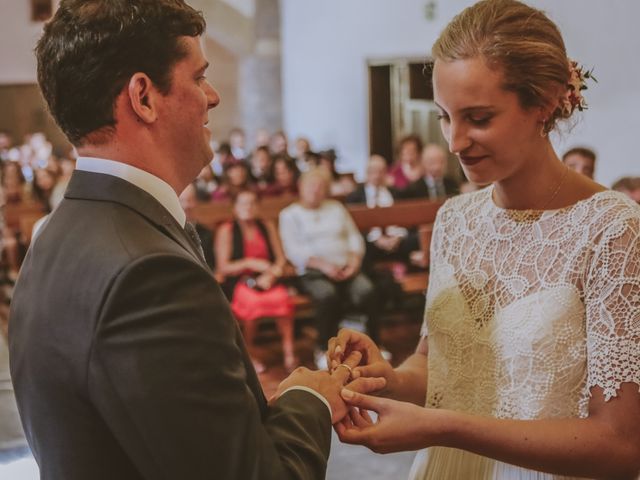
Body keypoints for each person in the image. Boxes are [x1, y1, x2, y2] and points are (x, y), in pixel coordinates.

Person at [8, 2, 384, 479]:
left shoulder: (58, 232)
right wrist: (308, 398)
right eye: (199, 76)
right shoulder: (149, 273)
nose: (212, 96)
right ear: (143, 96)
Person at [327, 1, 640, 479]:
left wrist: (441, 427)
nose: (454, 142)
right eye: (444, 116)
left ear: (546, 101)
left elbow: (621, 445)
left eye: (478, 117)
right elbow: (440, 367)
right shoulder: (455, 219)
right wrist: (390, 377)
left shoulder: (611, 229)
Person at [279, 169, 380, 352]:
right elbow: (293, 251)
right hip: (312, 272)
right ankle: (323, 348)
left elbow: (354, 237)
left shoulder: (336, 208)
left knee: (368, 292)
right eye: (311, 186)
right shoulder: (290, 214)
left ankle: (374, 346)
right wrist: (324, 266)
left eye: (320, 187)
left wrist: (354, 262)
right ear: (300, 187)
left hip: (346, 268)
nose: (315, 190)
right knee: (327, 296)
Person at [215, 189, 296, 372]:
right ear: (235, 208)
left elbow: (280, 258)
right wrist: (250, 262)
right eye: (243, 203)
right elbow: (223, 267)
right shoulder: (227, 229)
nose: (248, 207)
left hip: (267, 280)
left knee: (282, 299)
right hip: (240, 282)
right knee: (253, 303)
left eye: (252, 203)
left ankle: (288, 352)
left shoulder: (266, 225)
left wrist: (272, 273)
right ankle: (248, 352)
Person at [179, 183, 215, 270]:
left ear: (196, 202)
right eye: (182, 200)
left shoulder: (207, 234)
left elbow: (209, 266)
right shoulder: (167, 231)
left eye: (190, 200)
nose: (186, 205)